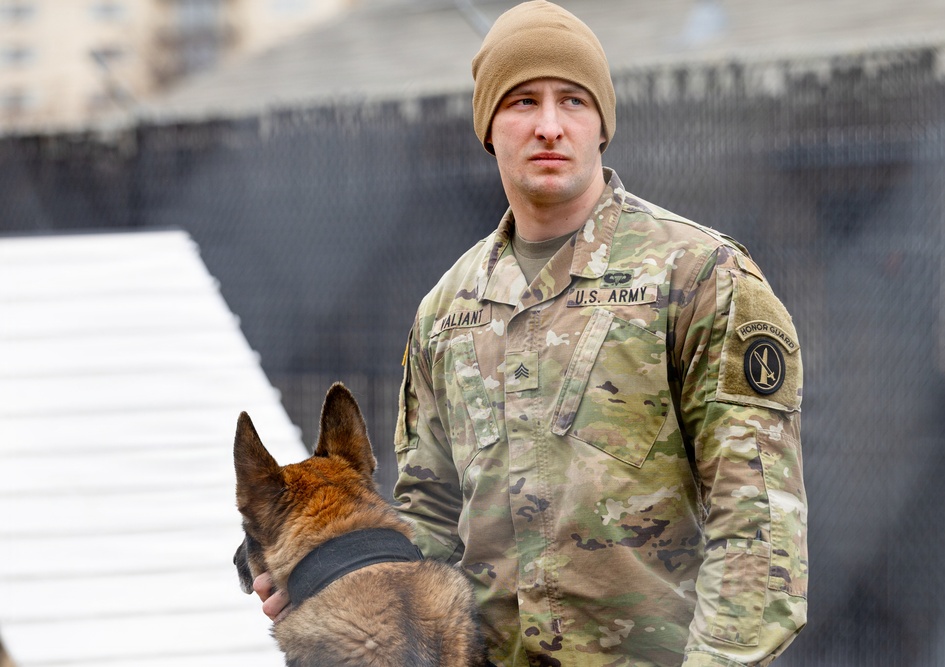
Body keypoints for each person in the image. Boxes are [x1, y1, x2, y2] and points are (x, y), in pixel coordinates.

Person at [258, 2, 807, 665]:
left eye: (572, 100)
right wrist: (334, 572)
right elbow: (430, 515)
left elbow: (756, 523)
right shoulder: (446, 312)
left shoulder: (699, 279)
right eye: (522, 101)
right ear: (489, 126)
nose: (549, 126)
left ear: (602, 123)